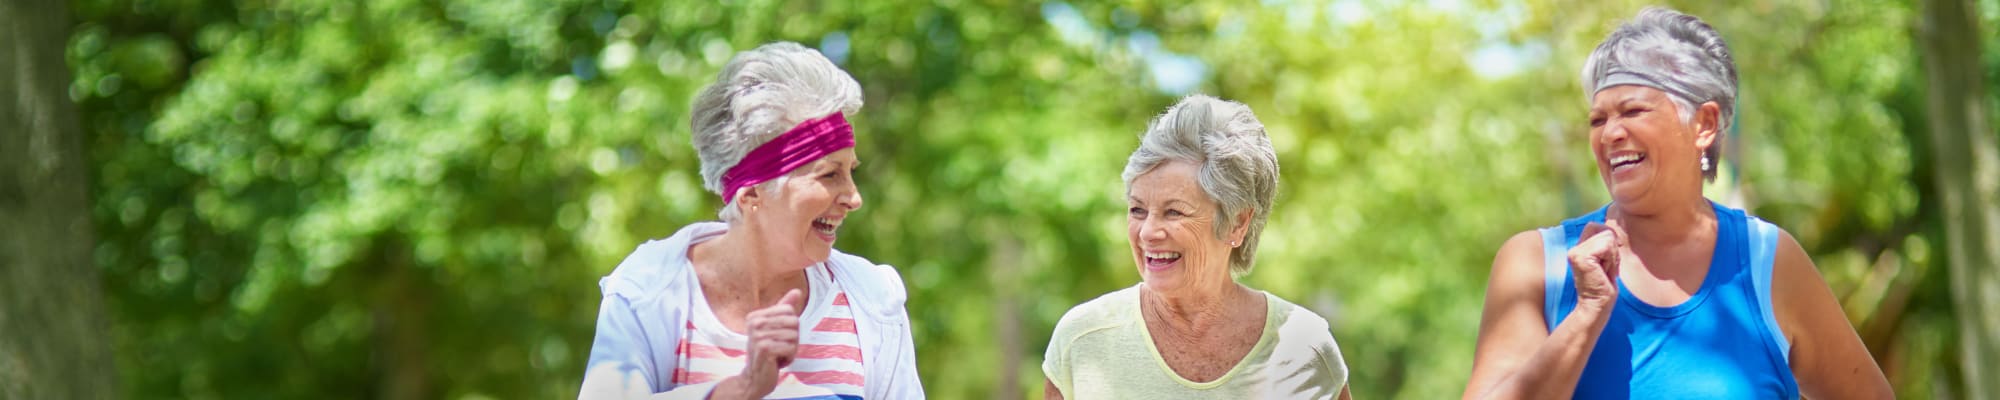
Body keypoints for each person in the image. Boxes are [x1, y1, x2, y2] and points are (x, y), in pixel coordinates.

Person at [1462, 7, 1894, 399]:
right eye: (1598, 119)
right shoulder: (1538, 265)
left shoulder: (1769, 261)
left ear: (1703, 125)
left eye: (1632, 111)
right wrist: (1585, 315)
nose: (1609, 133)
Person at [579, 42, 923, 400]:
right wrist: (740, 390)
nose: (854, 198)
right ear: (751, 195)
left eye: (850, 172)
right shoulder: (648, 291)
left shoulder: (872, 299)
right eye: (829, 175)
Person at [1042, 95, 1353, 399]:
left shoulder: (1304, 347)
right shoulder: (1083, 339)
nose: (1148, 232)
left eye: (1174, 212)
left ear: (1237, 223)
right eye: (1137, 210)